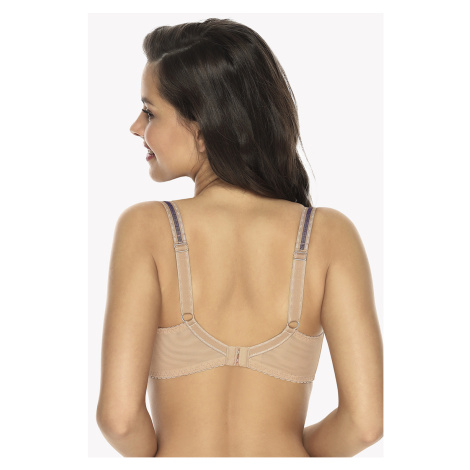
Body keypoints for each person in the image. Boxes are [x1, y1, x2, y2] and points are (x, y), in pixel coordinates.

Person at [96, 17, 383, 457]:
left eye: (149, 112)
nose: (136, 127)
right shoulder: (329, 235)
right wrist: (290, 448)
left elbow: (119, 420)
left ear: (202, 127)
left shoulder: (146, 228)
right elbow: (365, 425)